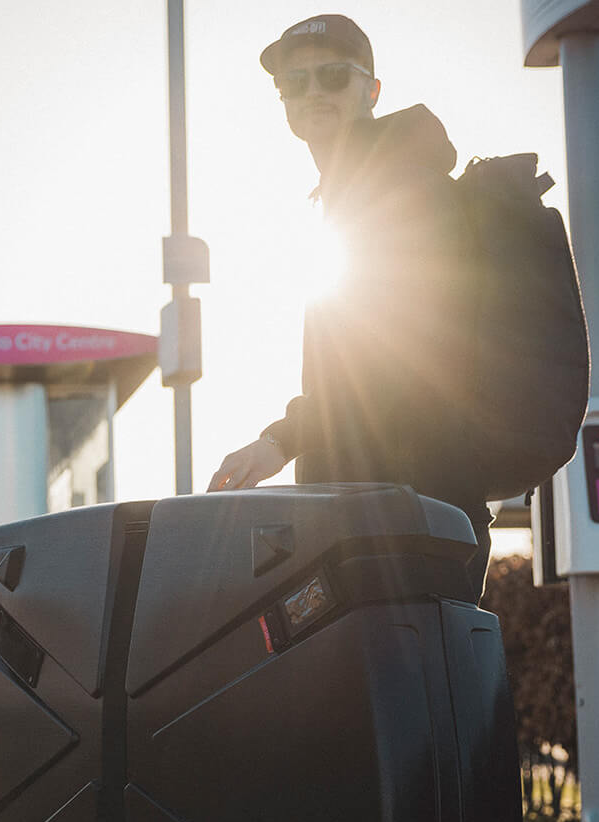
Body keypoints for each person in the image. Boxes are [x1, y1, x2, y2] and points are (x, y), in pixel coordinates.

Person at [208, 13, 492, 598]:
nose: (312, 92)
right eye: (295, 82)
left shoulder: (401, 187)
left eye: (333, 76)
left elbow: (398, 362)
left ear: (371, 90)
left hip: (407, 517)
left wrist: (282, 440)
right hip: (382, 513)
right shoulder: (352, 191)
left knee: (407, 687)